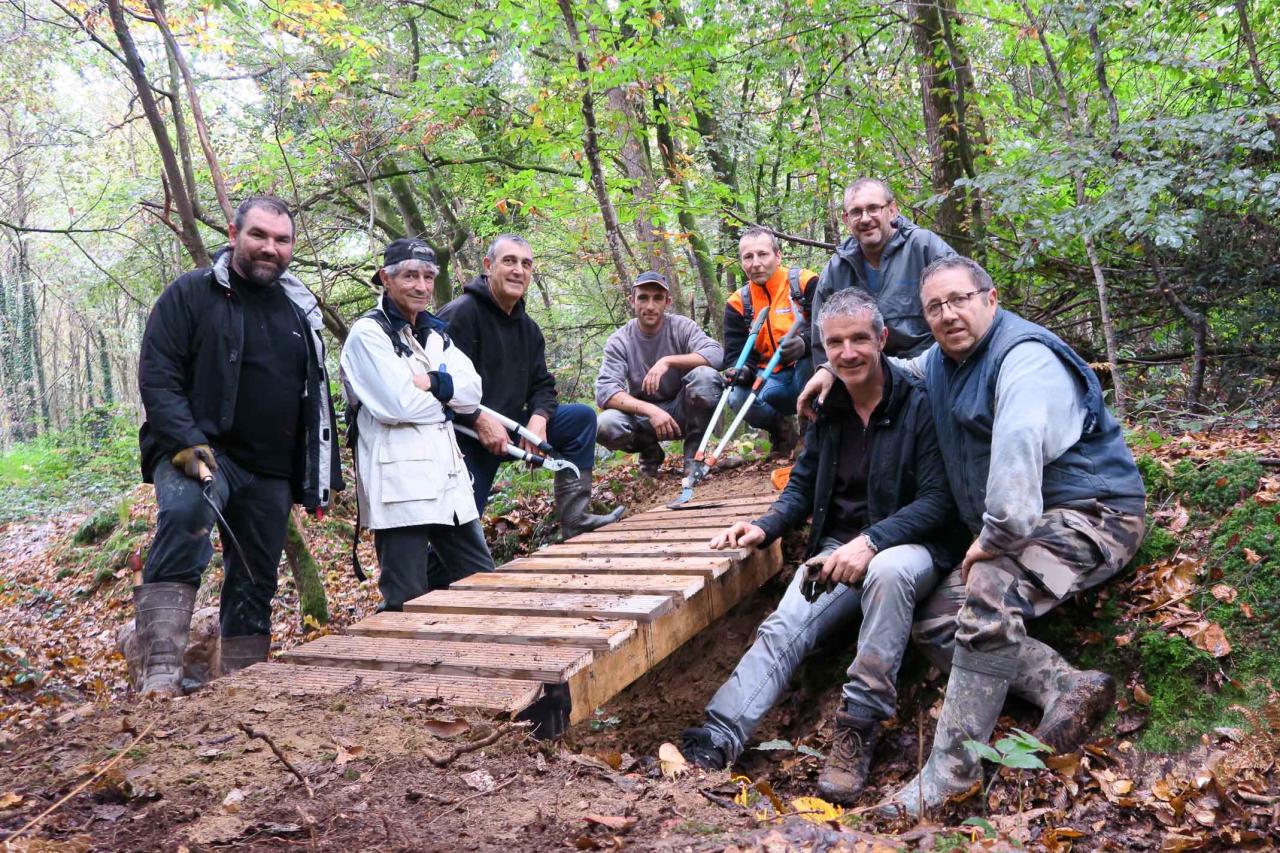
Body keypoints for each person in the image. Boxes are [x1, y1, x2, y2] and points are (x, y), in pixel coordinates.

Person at [874, 256, 1146, 817]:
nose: (948, 313)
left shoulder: (1024, 359)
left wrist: (994, 538)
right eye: (935, 307)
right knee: (935, 620)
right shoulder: (945, 358)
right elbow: (907, 371)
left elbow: (1019, 448)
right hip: (1033, 522)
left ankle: (949, 774)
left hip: (1094, 515)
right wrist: (836, 368)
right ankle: (1062, 684)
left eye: (959, 299)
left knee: (990, 585)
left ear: (990, 299)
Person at [679, 288, 963, 804]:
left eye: (859, 338)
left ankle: (857, 729)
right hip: (837, 547)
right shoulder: (827, 406)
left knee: (889, 570)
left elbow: (939, 501)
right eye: (836, 343)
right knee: (784, 626)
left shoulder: (920, 401)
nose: (848, 352)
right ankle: (716, 738)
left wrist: (874, 540)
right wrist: (765, 527)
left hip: (911, 547)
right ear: (823, 350)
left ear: (881, 338)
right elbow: (803, 484)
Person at [135, 195, 343, 696]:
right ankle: (159, 674)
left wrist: (319, 475)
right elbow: (158, 374)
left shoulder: (300, 309)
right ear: (234, 234)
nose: (270, 248)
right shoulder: (192, 293)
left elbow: (315, 399)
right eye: (259, 236)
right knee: (185, 522)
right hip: (200, 453)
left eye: (282, 239)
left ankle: (242, 687)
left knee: (256, 572)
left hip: (270, 469)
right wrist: (184, 441)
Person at [339, 239, 496, 611]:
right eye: (410, 276)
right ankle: (404, 671)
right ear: (386, 279)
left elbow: (473, 393)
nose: (421, 286)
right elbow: (399, 404)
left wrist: (436, 384)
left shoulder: (435, 332)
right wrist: (448, 401)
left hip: (449, 484)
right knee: (405, 600)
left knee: (485, 584)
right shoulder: (368, 335)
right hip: (400, 489)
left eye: (428, 276)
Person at [438, 235, 623, 538]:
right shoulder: (460, 315)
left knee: (579, 418)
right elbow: (438, 386)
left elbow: (543, 385)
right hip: (464, 439)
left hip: (511, 428)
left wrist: (539, 417)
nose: (518, 271)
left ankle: (575, 520)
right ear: (488, 266)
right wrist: (477, 420)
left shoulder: (528, 329)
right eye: (509, 261)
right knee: (460, 532)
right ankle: (435, 584)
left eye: (526, 264)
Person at [595, 271, 725, 476]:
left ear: (668, 302)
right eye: (643, 298)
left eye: (657, 298)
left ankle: (693, 456)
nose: (650, 306)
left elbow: (716, 354)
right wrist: (651, 411)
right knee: (604, 425)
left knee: (706, 377)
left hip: (683, 411)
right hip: (643, 418)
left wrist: (668, 361)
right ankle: (650, 451)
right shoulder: (619, 340)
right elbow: (605, 391)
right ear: (632, 301)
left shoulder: (682, 327)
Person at [810, 178, 955, 360]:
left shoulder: (923, 247)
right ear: (846, 219)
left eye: (873, 208)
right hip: (866, 371)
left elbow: (962, 302)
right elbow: (820, 337)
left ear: (892, 210)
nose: (865, 219)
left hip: (930, 365)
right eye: (856, 212)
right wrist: (827, 371)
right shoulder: (837, 268)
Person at [722, 226, 818, 456]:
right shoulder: (738, 303)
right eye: (748, 257)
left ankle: (811, 434)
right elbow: (736, 354)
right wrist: (742, 371)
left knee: (813, 359)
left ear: (777, 255)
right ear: (742, 262)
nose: (756, 263)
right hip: (770, 380)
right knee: (736, 396)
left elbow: (831, 327)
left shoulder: (805, 283)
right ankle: (783, 434)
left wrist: (804, 343)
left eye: (762, 254)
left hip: (807, 375)